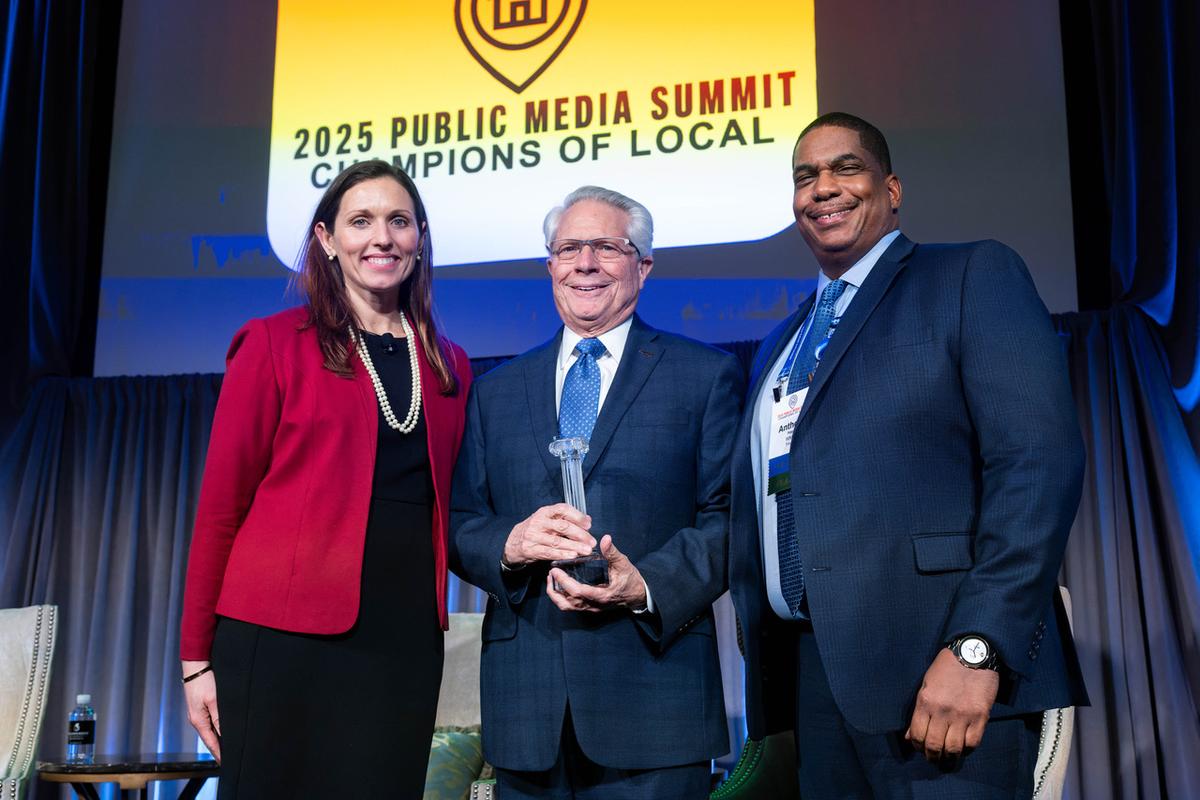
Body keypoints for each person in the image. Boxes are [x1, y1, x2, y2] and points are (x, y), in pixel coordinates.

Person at [728, 112, 1088, 798]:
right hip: (812, 684)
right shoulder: (780, 345)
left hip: (940, 677)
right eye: (805, 177)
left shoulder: (969, 276)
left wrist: (977, 648)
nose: (822, 188)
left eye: (846, 168)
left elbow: (1037, 466)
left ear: (891, 189)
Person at [179, 160, 472, 798]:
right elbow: (220, 509)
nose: (382, 238)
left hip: (403, 641)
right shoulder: (273, 344)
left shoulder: (450, 366)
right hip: (279, 639)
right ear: (326, 240)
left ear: (419, 238)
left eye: (398, 222)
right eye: (360, 221)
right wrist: (195, 659)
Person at [449, 186, 743, 799]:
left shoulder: (705, 376)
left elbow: (729, 519)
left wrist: (647, 585)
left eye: (607, 247)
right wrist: (511, 542)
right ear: (550, 265)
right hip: (527, 713)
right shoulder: (496, 391)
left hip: (655, 707)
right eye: (569, 248)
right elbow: (459, 521)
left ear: (643, 266)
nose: (585, 263)